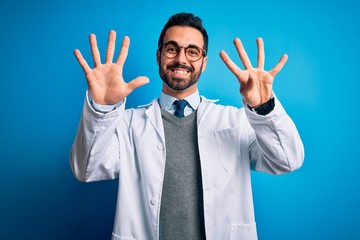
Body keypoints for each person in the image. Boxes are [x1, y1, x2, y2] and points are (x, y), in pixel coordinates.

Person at [70, 12, 304, 240]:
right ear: (158, 56)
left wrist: (264, 107)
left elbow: (287, 160)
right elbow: (86, 170)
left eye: (192, 52)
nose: (181, 59)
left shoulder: (236, 122)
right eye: (172, 49)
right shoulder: (128, 124)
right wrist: (102, 110)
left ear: (204, 62)